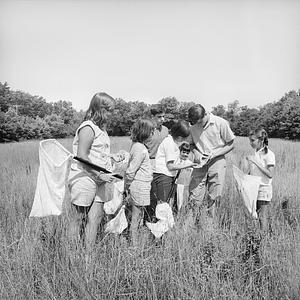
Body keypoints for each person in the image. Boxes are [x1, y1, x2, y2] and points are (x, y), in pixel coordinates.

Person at [68, 92, 124, 251]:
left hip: (101, 179)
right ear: (100, 109)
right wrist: (100, 174)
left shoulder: (102, 129)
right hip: (85, 178)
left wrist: (112, 157)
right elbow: (82, 157)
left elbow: (98, 154)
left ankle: (88, 255)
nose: (112, 114)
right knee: (79, 218)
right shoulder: (88, 127)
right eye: (110, 111)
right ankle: (71, 254)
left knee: (96, 217)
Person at [187, 104, 235, 228]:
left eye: (200, 122)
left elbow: (231, 144)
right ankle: (190, 226)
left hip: (217, 160)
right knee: (194, 194)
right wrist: (196, 152)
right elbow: (191, 144)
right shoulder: (192, 126)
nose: (198, 125)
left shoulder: (220, 123)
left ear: (205, 114)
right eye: (195, 123)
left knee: (213, 196)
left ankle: (208, 228)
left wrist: (214, 155)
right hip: (200, 162)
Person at [149, 120, 197, 219]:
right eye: (184, 138)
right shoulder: (169, 143)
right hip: (163, 176)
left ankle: (158, 225)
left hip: (166, 175)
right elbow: (170, 166)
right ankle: (158, 227)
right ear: (180, 137)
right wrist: (189, 165)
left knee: (163, 204)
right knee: (162, 205)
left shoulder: (171, 142)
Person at [124, 119, 154, 246]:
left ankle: (134, 241)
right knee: (137, 217)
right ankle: (134, 245)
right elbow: (131, 171)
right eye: (151, 131)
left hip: (142, 185)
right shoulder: (140, 149)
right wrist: (128, 185)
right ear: (145, 133)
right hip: (140, 185)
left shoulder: (138, 146)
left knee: (139, 215)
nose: (153, 134)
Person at [244, 128, 275, 231]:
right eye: (250, 140)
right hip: (254, 188)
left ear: (261, 140)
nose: (250, 143)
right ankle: (256, 237)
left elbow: (270, 174)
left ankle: (263, 240)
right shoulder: (256, 152)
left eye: (253, 140)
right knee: (255, 215)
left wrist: (255, 162)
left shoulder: (269, 154)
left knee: (262, 217)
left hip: (263, 188)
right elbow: (253, 171)